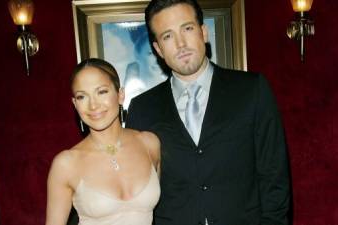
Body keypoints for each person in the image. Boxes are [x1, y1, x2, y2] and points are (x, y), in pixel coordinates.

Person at [126, 0, 290, 225]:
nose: (181, 43)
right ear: (158, 49)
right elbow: (134, 192)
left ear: (204, 32)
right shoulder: (142, 109)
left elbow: (274, 177)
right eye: (167, 36)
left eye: (187, 28)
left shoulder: (251, 90)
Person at [45, 58, 161, 225]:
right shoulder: (66, 164)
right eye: (82, 96)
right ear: (75, 104)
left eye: (102, 92)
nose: (93, 105)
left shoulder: (149, 144)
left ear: (120, 95)